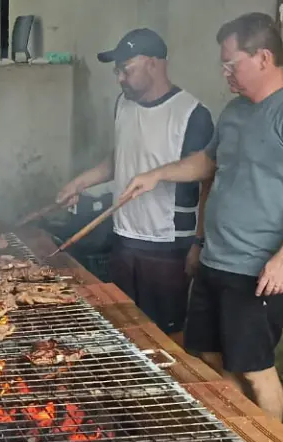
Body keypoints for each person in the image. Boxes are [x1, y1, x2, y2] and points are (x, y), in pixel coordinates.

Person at [122, 12, 283, 421]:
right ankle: (241, 439)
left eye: (230, 63)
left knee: (255, 368)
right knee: (209, 354)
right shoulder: (236, 112)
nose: (225, 74)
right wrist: (157, 175)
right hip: (216, 260)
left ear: (263, 58)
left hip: (257, 269)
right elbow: (208, 164)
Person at [56, 28, 213, 341]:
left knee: (167, 335)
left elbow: (207, 175)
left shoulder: (191, 113)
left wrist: (198, 242)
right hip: (124, 237)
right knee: (125, 326)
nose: (120, 79)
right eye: (117, 71)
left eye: (126, 70)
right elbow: (123, 156)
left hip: (167, 243)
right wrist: (81, 182)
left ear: (154, 64)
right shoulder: (123, 105)